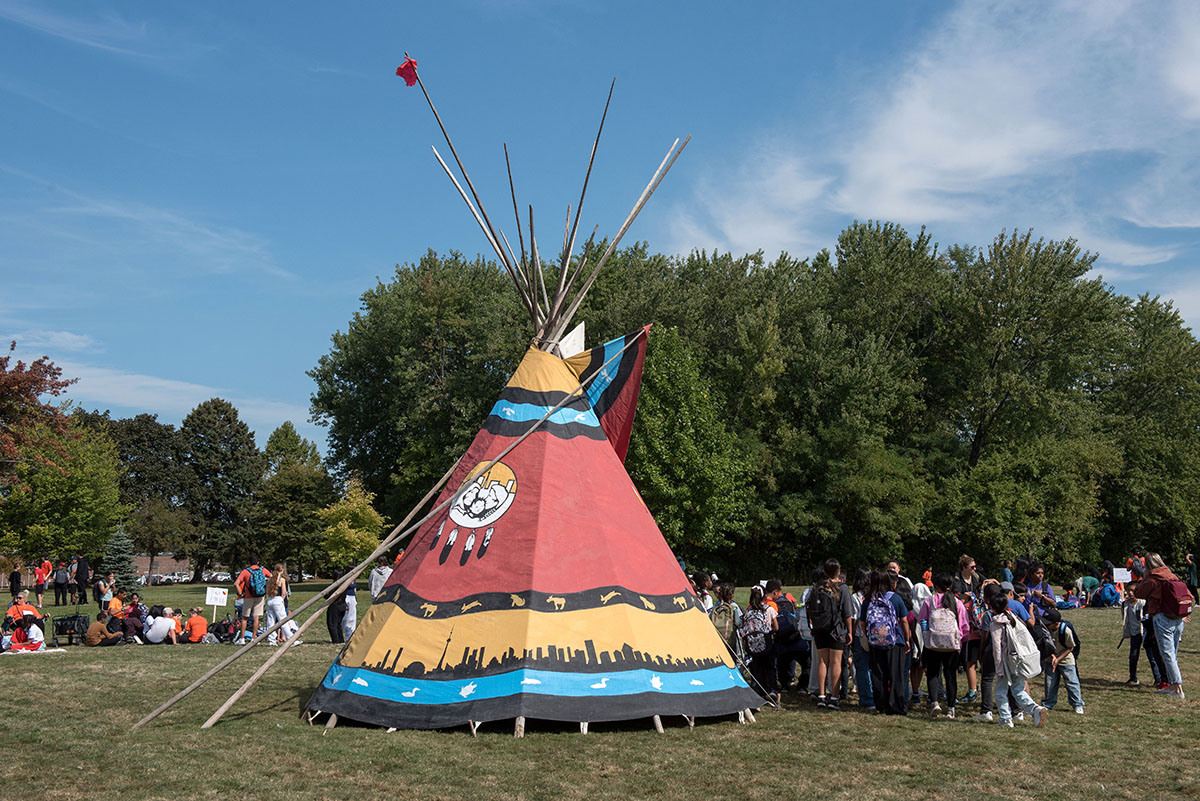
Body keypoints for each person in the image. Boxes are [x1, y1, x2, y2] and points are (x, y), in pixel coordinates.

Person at [985, 585, 1047, 728]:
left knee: (1000, 691)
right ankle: (1035, 709)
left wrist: (999, 668)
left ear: (992, 607)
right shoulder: (1013, 617)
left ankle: (1005, 719)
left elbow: (997, 648)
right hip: (1017, 659)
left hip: (1005, 662)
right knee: (1018, 690)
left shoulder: (995, 623)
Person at [1133, 552, 1188, 699]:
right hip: (1177, 618)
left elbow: (1138, 593)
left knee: (1167, 654)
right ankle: (1172, 685)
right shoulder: (1172, 576)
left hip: (1162, 617)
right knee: (1173, 654)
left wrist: (1143, 578)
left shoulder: (1152, 579)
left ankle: (1177, 687)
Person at [859, 568, 910, 715]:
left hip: (875, 641)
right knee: (896, 675)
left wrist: (869, 636)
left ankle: (881, 705)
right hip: (895, 641)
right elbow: (905, 621)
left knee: (878, 673)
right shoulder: (895, 598)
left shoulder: (868, 599)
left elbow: (862, 622)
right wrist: (906, 639)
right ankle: (896, 705)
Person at [919, 572, 968, 719]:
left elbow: (923, 620)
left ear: (936, 586)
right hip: (952, 644)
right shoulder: (956, 602)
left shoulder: (930, 601)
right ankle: (951, 708)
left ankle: (934, 702)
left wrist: (927, 637)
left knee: (933, 673)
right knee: (950, 675)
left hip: (933, 643)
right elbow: (964, 626)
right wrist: (960, 640)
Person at [808, 558, 854, 710]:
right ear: (838, 572)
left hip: (820, 629)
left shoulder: (817, 588)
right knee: (835, 663)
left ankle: (821, 696)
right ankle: (834, 697)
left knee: (822, 661)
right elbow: (847, 613)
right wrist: (850, 632)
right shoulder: (842, 588)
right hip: (836, 629)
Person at [951, 554, 983, 705]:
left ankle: (972, 691)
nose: (974, 569)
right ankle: (953, 691)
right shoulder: (956, 581)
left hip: (974, 625)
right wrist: (964, 598)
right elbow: (953, 602)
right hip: (961, 624)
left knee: (971, 661)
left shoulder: (976, 578)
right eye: (972, 567)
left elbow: (987, 585)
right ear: (964, 568)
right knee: (958, 661)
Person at [1040, 608, 1083, 714]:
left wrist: (1058, 659)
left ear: (1056, 624)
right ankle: (1048, 703)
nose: (1046, 625)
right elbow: (1045, 644)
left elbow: (1070, 648)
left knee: (1071, 682)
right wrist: (1052, 656)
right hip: (1050, 659)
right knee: (1050, 682)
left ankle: (1077, 704)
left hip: (1066, 659)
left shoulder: (1066, 631)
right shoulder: (1045, 629)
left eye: (1048, 623)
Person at [741, 584, 778, 703]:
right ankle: (772, 689)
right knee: (770, 666)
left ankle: (761, 691)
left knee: (757, 667)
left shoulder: (748, 611)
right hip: (766, 642)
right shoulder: (768, 609)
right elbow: (776, 627)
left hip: (752, 644)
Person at [848, 567, 874, 710]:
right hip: (877, 636)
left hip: (860, 635)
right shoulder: (875, 594)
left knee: (862, 667)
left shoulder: (856, 597)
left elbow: (855, 619)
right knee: (874, 667)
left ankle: (867, 699)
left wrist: (851, 634)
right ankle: (877, 696)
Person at [235, 557, 271, 644]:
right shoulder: (263, 570)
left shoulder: (245, 572)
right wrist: (266, 588)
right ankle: (254, 639)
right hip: (260, 596)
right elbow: (271, 577)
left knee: (244, 618)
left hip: (248, 596)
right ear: (258, 562)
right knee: (256, 617)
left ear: (249, 562)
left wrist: (240, 594)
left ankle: (242, 639)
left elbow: (236, 583)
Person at [1121, 586, 1150, 686]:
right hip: (1134, 634)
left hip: (1145, 632)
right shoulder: (1125, 604)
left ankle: (1159, 679)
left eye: (1132, 591)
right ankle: (1133, 677)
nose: (1130, 593)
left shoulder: (1143, 603)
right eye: (1128, 590)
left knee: (1152, 656)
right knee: (1133, 656)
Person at [709, 582, 743, 664]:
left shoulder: (716, 608)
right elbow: (738, 623)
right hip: (731, 638)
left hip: (719, 638)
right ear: (732, 595)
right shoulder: (734, 607)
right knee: (733, 658)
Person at [265, 564, 290, 645]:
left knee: (270, 622)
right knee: (283, 621)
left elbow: (267, 591)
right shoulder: (282, 580)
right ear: (282, 570)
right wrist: (281, 601)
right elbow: (284, 592)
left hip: (270, 600)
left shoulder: (270, 579)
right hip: (278, 600)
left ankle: (271, 640)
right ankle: (291, 638)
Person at [325, 571, 349, 644]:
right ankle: (340, 640)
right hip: (342, 605)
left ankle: (336, 641)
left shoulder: (334, 587)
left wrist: (325, 595)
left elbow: (329, 597)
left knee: (332, 624)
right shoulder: (344, 586)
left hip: (334, 606)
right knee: (338, 624)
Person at [343, 573, 359, 641]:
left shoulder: (354, 579)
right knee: (346, 617)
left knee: (352, 618)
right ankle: (342, 631)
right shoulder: (345, 578)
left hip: (352, 598)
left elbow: (354, 589)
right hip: (347, 597)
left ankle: (350, 635)